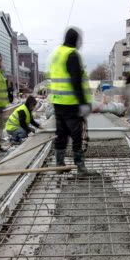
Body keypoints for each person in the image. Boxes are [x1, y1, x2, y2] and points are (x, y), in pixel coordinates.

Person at [50, 27, 94, 176]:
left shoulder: (57, 54)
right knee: (77, 135)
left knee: (61, 134)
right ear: (75, 40)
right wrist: (83, 103)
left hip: (58, 102)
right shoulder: (72, 54)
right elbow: (76, 81)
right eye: (79, 40)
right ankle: (80, 167)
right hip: (71, 103)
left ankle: (59, 164)